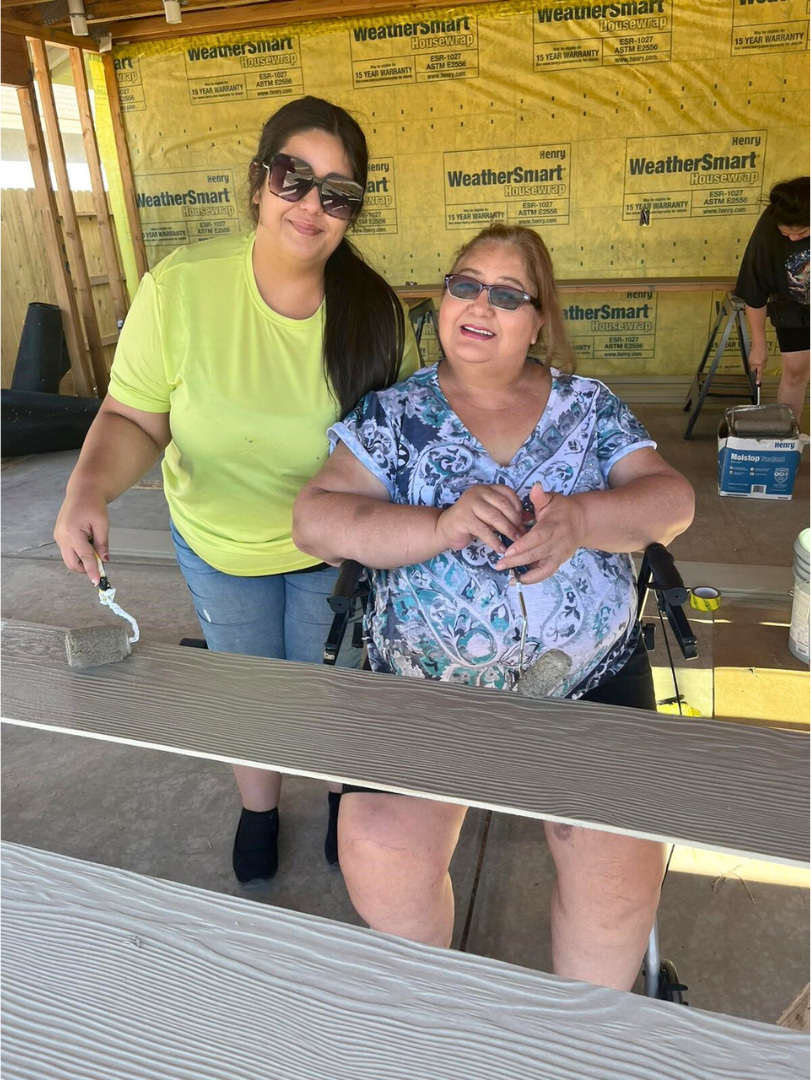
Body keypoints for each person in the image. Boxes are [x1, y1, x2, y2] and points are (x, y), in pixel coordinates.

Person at [293, 224, 695, 990]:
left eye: (509, 294)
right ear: (442, 300)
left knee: (619, 866)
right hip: (421, 685)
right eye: (465, 284)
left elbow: (670, 502)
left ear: (538, 320)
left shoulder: (588, 406)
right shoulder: (393, 415)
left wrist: (581, 520)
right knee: (377, 846)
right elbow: (315, 520)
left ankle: (581, 1037)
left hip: (587, 678)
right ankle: (442, 1024)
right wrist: (438, 525)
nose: (482, 304)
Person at [54, 96, 419, 885]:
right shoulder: (181, 288)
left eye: (338, 193)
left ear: (352, 212)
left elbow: (399, 453)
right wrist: (89, 489)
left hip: (337, 552)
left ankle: (335, 796)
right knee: (244, 686)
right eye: (294, 177)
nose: (311, 205)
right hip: (220, 545)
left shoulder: (376, 315)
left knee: (331, 689)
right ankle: (259, 807)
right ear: (258, 182)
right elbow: (133, 418)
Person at [736, 177, 810, 423]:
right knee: (796, 370)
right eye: (785, 233)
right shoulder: (769, 225)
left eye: (802, 233)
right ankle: (787, 443)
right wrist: (759, 345)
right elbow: (754, 287)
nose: (792, 239)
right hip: (793, 304)